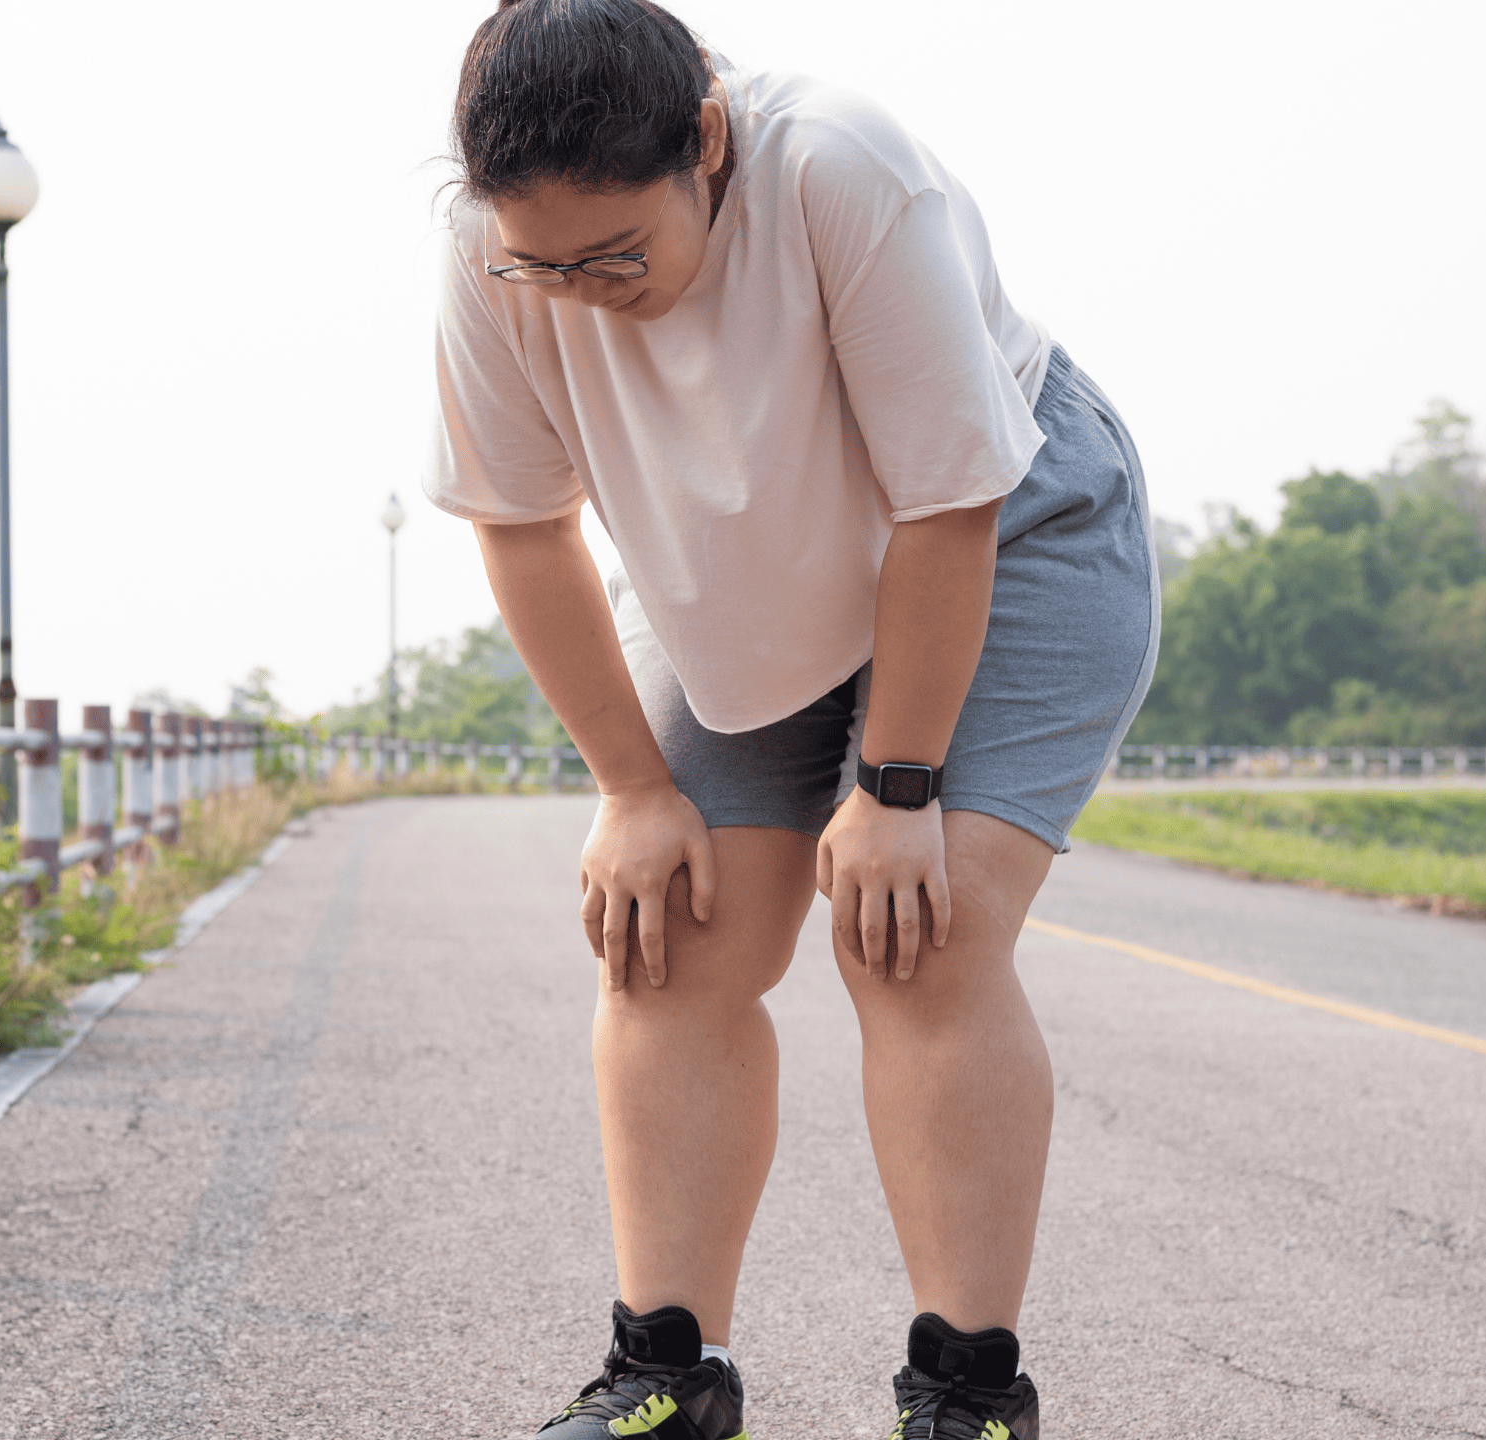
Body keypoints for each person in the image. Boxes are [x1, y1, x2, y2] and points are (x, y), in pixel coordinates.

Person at [426, 2, 1157, 1436]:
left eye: (618, 255)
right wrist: (633, 789)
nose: (576, 292)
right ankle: (664, 1380)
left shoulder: (838, 166)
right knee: (667, 937)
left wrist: (895, 787)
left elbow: (949, 502)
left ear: (705, 141)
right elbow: (522, 526)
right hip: (749, 575)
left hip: (1002, 534)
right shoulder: (491, 249)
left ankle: (966, 1397)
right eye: (543, 264)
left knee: (914, 938)